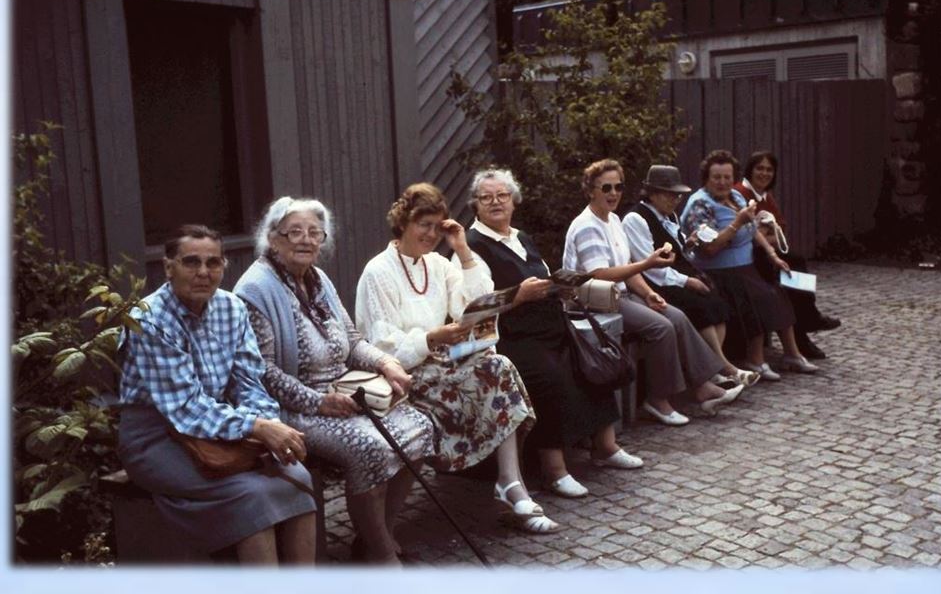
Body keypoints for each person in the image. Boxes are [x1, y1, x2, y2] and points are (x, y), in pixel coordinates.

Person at [234, 197, 436, 565]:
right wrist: (319, 402)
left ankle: (376, 537)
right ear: (273, 238)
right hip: (294, 407)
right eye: (294, 232)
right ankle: (383, 558)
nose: (306, 240)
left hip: (345, 390)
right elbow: (262, 371)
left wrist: (387, 363)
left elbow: (353, 340)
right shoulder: (255, 290)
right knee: (370, 449)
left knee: (420, 429)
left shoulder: (318, 278)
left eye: (314, 233)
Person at [355, 183, 557, 534]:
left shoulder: (436, 263)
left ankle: (510, 482)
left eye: (438, 226)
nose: (432, 234)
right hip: (402, 375)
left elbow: (477, 304)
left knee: (499, 365)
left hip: (441, 362)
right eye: (424, 225)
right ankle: (506, 484)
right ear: (403, 222)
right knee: (490, 375)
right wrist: (432, 337)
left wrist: (462, 250)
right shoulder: (378, 271)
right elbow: (380, 345)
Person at [117, 224, 317, 564]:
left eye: (213, 263)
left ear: (224, 266)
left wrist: (264, 423)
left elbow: (249, 382)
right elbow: (186, 408)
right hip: (156, 438)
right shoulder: (149, 321)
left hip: (220, 428)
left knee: (297, 476)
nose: (203, 273)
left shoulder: (232, 308)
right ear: (169, 267)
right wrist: (256, 428)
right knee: (251, 495)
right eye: (191, 262)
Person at [462, 167, 643, 499]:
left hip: (549, 325)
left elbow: (545, 278)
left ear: (514, 200)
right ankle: (554, 470)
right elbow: (477, 303)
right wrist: (519, 295)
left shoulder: (521, 237)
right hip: (511, 337)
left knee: (589, 360)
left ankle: (605, 446)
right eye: (486, 198)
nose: (496, 202)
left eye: (502, 195)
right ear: (475, 205)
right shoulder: (472, 246)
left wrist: (560, 288)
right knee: (549, 375)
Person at [564, 159, 744, 427]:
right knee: (661, 327)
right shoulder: (588, 225)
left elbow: (627, 268)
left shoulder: (612, 220)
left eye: (619, 187)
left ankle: (703, 388)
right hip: (593, 301)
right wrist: (648, 264)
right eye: (606, 188)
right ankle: (658, 400)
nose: (613, 193)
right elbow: (598, 275)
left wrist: (648, 293)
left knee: (676, 316)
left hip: (618, 294)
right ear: (591, 191)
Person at [680, 149, 819, 381]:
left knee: (780, 291)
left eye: (727, 177)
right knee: (761, 297)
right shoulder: (700, 205)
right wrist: (736, 223)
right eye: (716, 177)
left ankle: (792, 354)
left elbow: (754, 231)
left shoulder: (736, 197)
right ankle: (755, 360)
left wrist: (773, 255)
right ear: (706, 178)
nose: (722, 182)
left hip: (746, 266)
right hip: (720, 271)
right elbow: (710, 248)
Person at [622, 164, 760, 386]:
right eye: (670, 195)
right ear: (653, 193)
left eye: (678, 195)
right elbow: (649, 265)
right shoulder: (636, 219)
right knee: (700, 306)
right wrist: (687, 281)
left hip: (675, 276)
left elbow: (676, 251)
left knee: (717, 304)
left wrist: (688, 243)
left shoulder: (670, 216)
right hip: (654, 283)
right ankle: (726, 367)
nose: (675, 200)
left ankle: (714, 366)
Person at [734, 150, 841, 359]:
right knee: (793, 266)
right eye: (760, 168)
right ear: (750, 170)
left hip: (764, 254)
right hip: (746, 257)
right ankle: (808, 324)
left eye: (769, 170)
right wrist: (766, 235)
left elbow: (781, 228)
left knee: (794, 272)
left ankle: (805, 330)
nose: (764, 174)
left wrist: (768, 235)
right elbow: (751, 234)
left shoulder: (765, 197)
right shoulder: (741, 194)